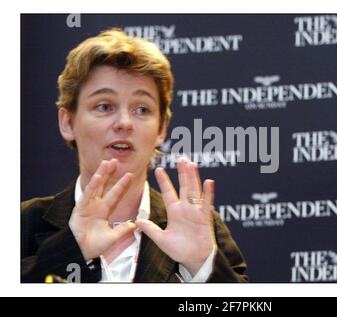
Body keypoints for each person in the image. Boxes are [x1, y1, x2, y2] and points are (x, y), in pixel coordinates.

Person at [21, 28, 248, 283]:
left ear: (161, 128)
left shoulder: (205, 228)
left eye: (142, 109)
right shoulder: (23, 223)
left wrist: (201, 268)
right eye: (104, 106)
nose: (125, 123)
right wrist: (69, 251)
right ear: (68, 122)